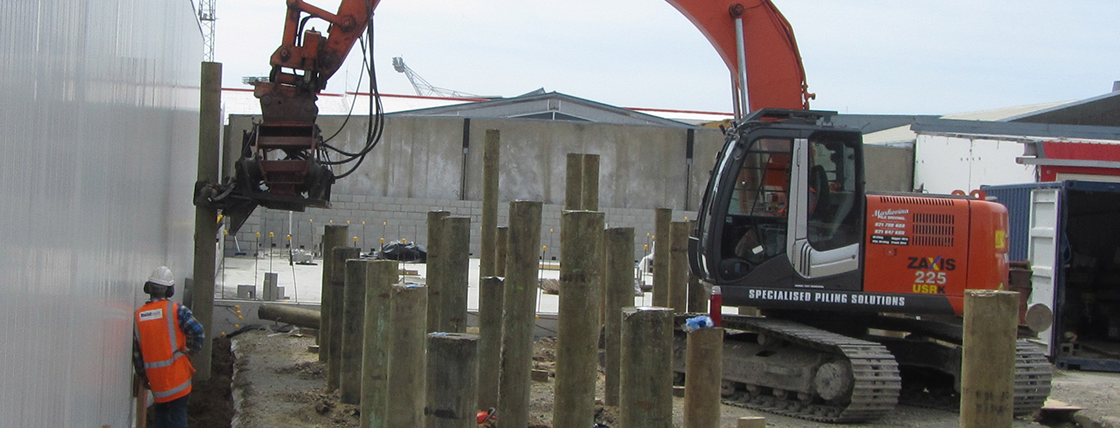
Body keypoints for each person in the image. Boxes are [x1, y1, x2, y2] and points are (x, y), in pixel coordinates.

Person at [133, 266, 205, 428]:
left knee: (162, 417)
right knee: (177, 417)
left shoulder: (139, 317)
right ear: (170, 291)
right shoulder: (176, 310)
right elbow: (198, 331)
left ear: (148, 289)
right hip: (178, 381)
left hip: (157, 385)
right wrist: (191, 351)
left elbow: (137, 356)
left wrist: (145, 378)